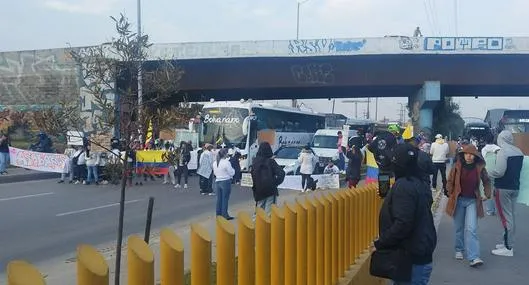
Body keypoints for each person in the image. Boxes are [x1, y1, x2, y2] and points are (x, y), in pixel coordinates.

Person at [372, 143, 437, 284]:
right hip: (417, 257)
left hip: (411, 262)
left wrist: (381, 242)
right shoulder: (418, 182)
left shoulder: (404, 186)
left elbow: (403, 223)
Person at [445, 144, 491, 267]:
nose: (469, 156)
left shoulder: (479, 167)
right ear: (463, 155)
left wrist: (487, 194)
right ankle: (459, 249)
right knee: (459, 228)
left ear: (476, 156)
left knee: (472, 229)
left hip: (472, 201)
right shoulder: (457, 166)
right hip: (458, 200)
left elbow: (486, 180)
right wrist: (450, 193)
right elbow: (450, 181)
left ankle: (474, 257)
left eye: (471, 154)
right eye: (466, 154)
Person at [488, 130, 524, 257]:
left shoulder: (503, 151)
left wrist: (488, 172)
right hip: (515, 187)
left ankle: (508, 248)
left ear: (501, 139)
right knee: (511, 216)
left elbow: (499, 172)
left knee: (505, 218)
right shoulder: (519, 151)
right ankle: (507, 242)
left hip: (503, 187)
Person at [251, 142, 285, 216]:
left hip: (258, 190)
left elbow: (252, 176)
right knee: (269, 213)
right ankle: (267, 227)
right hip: (270, 190)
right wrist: (275, 183)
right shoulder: (270, 161)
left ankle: (255, 226)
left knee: (259, 212)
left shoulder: (255, 162)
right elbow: (281, 174)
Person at [481, 134, 501, 216]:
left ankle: (490, 210)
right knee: (499, 191)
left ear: (485, 141)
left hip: (487, 171)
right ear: (493, 139)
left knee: (489, 191)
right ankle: (502, 210)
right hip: (498, 171)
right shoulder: (498, 148)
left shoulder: (483, 149)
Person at [213, 148, 235, 220]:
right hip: (225, 181)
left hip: (217, 181)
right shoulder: (226, 162)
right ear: (225, 154)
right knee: (225, 199)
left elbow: (215, 173)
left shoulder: (215, 162)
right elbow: (231, 172)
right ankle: (225, 214)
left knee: (219, 199)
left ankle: (218, 214)